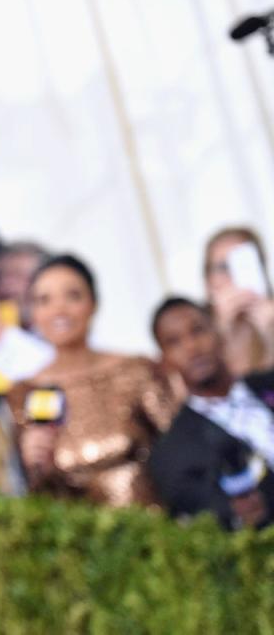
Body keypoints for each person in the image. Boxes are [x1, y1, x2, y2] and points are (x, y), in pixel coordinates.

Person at [7, 255, 175, 507]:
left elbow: (179, 450)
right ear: (33, 313)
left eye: (72, 296)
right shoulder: (26, 393)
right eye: (44, 300)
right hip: (79, 537)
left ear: (93, 303)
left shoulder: (136, 370)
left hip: (157, 527)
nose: (58, 310)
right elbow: (34, 495)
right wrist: (35, 465)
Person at [149, 297, 274, 529]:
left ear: (218, 333)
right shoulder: (172, 455)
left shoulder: (268, 383)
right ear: (164, 361)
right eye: (174, 342)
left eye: (198, 331)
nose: (192, 347)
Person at [203, 227, 274, 377]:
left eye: (243, 265)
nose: (233, 277)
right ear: (208, 281)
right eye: (223, 267)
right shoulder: (195, 335)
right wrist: (225, 334)